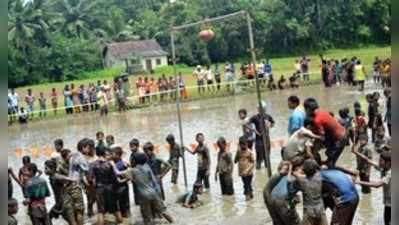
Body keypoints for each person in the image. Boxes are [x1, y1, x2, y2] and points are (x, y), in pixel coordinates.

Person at [115, 152, 174, 225]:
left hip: (143, 195)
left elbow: (118, 173)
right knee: (163, 211)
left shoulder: (133, 171)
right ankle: (173, 222)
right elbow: (154, 181)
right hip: (153, 192)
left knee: (147, 217)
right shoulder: (147, 167)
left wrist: (112, 164)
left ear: (135, 161)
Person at [303, 98, 346, 167]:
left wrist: (310, 135)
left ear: (308, 109)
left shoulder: (317, 120)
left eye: (305, 110)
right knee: (329, 157)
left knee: (330, 163)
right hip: (342, 135)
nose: (305, 112)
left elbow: (322, 138)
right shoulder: (323, 112)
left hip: (339, 139)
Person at [352, 149, 391, 225]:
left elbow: (377, 185)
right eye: (379, 160)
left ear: (388, 163)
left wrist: (358, 182)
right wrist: (356, 152)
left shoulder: (390, 173)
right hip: (388, 202)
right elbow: (368, 160)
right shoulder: (383, 168)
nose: (379, 162)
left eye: (381, 160)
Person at [287, 159, 328, 225]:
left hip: (309, 211)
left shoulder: (302, 179)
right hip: (320, 209)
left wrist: (290, 168)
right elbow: (324, 167)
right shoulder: (319, 176)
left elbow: (289, 180)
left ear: (304, 170)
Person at [88, 146, 121, 225]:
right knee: (115, 208)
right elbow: (115, 177)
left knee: (101, 211)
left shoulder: (93, 164)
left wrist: (93, 187)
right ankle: (120, 222)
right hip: (110, 187)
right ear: (104, 153)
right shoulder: (110, 163)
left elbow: (90, 179)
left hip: (99, 188)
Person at [44, 160, 77, 225]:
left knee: (71, 221)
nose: (44, 170)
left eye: (46, 168)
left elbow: (70, 179)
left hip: (66, 202)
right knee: (48, 218)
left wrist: (67, 187)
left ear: (52, 168)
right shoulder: (52, 177)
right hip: (59, 203)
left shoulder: (56, 176)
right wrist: (65, 187)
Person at [249, 101, 275, 169]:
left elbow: (273, 123)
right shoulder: (255, 117)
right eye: (260, 109)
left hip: (266, 139)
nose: (262, 110)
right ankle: (258, 169)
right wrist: (254, 130)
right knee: (259, 158)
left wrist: (270, 125)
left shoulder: (268, 116)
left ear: (265, 109)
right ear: (258, 109)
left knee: (267, 158)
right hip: (258, 140)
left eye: (263, 109)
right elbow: (247, 124)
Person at [111, 146, 131, 221]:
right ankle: (127, 218)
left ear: (118, 155)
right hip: (124, 186)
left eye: (112, 154)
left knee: (120, 205)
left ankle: (124, 219)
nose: (111, 155)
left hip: (119, 187)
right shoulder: (123, 163)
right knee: (125, 204)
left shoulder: (117, 165)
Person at [234, 136, 255, 201]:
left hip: (249, 173)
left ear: (247, 144)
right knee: (247, 184)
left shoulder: (249, 152)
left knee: (246, 185)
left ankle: (247, 199)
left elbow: (253, 162)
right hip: (242, 173)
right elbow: (235, 159)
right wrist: (236, 160)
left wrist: (247, 170)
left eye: (245, 144)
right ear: (240, 145)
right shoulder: (239, 151)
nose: (244, 146)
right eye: (242, 144)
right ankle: (250, 195)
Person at [129, 138, 141, 205]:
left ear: (137, 146)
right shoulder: (132, 154)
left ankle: (139, 202)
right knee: (135, 190)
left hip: (138, 175)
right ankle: (137, 202)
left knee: (138, 189)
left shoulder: (138, 155)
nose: (131, 148)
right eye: (130, 147)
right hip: (134, 174)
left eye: (132, 146)